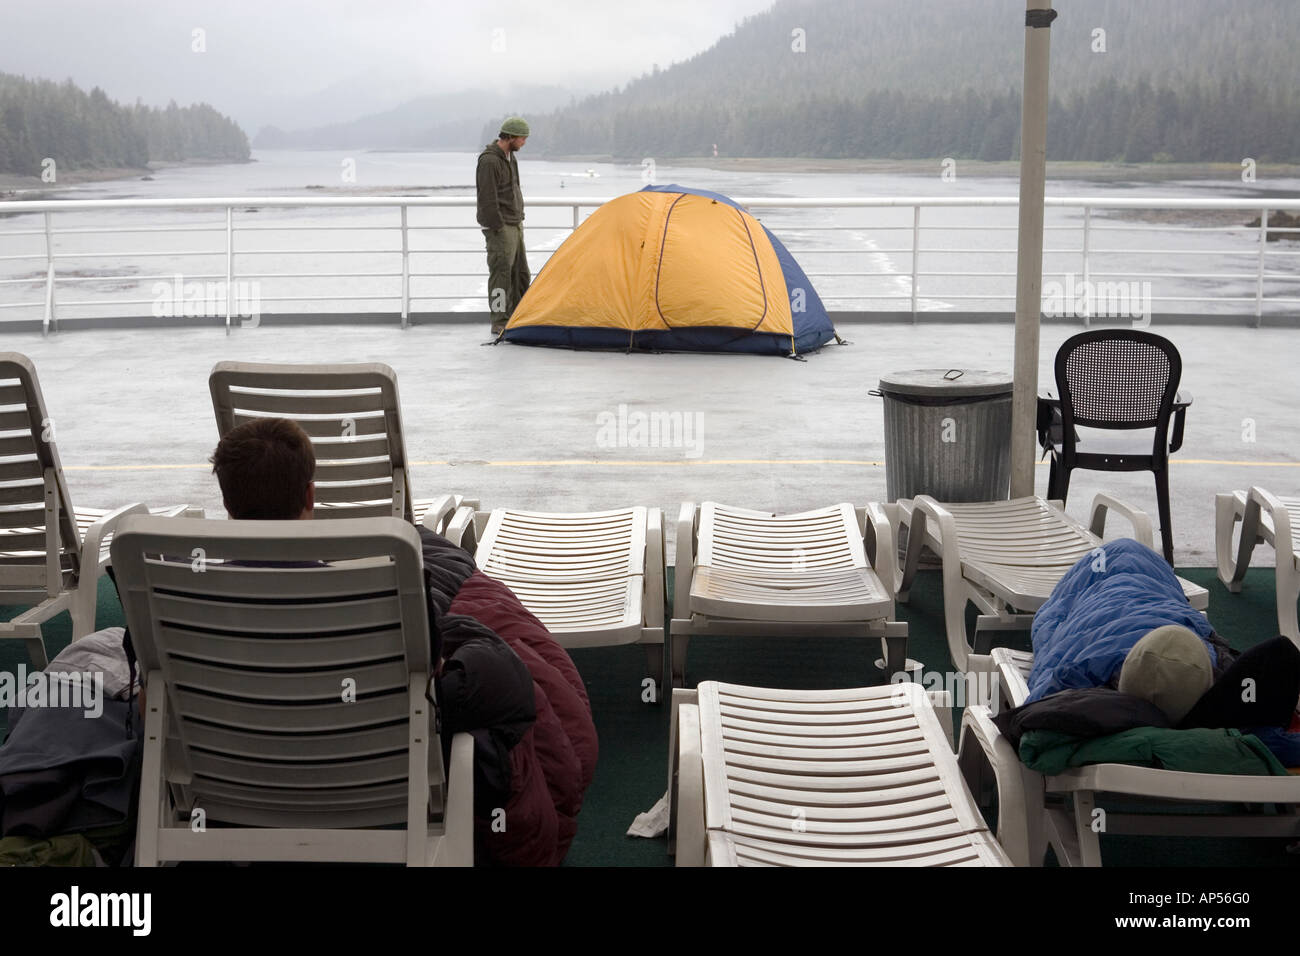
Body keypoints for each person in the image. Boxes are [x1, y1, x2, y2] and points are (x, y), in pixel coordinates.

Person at [476, 116, 531, 336]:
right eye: (522, 138)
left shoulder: (510, 157)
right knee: (501, 275)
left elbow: (513, 189)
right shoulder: (489, 161)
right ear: (511, 136)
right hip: (500, 228)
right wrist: (497, 226)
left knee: (520, 274)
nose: (524, 142)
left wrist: (519, 216)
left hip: (515, 224)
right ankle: (499, 320)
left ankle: (520, 315)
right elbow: (487, 197)